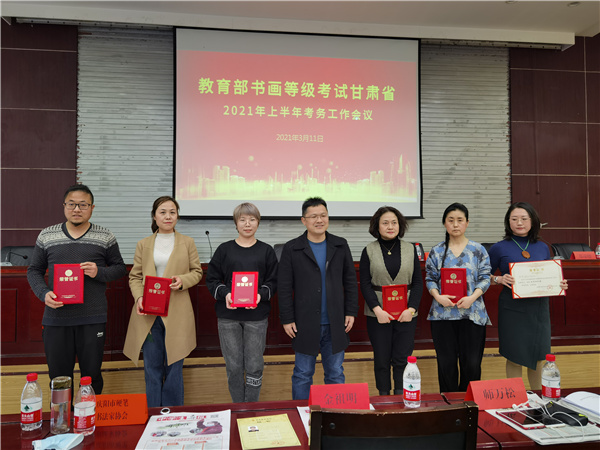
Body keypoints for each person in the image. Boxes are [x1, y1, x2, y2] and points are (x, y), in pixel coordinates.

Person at [27, 184, 127, 395]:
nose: (77, 209)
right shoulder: (47, 235)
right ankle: (62, 416)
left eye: (83, 205)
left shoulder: (105, 236)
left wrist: (98, 272)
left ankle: (89, 415)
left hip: (92, 317)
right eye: (71, 204)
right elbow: (34, 270)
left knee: (92, 376)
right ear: (64, 206)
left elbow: (119, 269)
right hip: (56, 318)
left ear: (92, 208)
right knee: (58, 377)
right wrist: (44, 293)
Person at [123, 196, 202, 407]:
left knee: (175, 364)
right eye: (163, 212)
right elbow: (135, 277)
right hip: (149, 311)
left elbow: (197, 272)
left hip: (177, 311)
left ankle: (173, 413)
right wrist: (139, 297)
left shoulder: (187, 242)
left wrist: (182, 280)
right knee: (152, 365)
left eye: (172, 212)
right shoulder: (144, 244)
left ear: (177, 216)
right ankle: (153, 412)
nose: (168, 216)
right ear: (154, 216)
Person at [278, 197, 359, 400]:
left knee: (335, 373)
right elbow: (284, 287)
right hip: (304, 322)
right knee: (303, 374)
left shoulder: (340, 245)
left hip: (335, 322)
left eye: (323, 215)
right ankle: (301, 413)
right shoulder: (292, 248)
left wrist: (351, 311)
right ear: (303, 220)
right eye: (313, 216)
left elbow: (350, 281)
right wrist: (287, 318)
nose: (319, 220)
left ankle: (335, 413)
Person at [488, 202, 568, 389]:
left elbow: (548, 274)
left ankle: (539, 399)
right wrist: (498, 279)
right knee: (514, 356)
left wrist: (559, 283)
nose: (519, 223)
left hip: (538, 309)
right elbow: (482, 276)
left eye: (524, 218)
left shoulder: (543, 247)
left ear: (533, 221)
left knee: (539, 356)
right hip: (512, 308)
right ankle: (515, 397)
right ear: (508, 222)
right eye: (514, 219)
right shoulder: (499, 248)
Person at [206, 202, 278, 403]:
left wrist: (259, 295)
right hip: (228, 317)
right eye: (243, 220)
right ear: (236, 223)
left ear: (258, 222)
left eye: (252, 219)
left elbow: (273, 281)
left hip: (257, 317)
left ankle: (251, 406)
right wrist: (226, 294)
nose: (247, 224)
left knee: (254, 365)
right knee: (234, 366)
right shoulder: (224, 249)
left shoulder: (266, 251)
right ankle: (239, 406)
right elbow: (212, 280)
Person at [425, 203, 492, 392]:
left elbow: (485, 277)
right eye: (451, 220)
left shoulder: (478, 250)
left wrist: (472, 297)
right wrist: (438, 296)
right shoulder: (437, 251)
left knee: (471, 363)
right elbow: (430, 278)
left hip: (472, 313)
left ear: (467, 223)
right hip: (442, 315)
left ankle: (469, 403)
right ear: (444, 223)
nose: (455, 224)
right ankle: (449, 403)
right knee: (446, 364)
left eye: (460, 220)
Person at [359, 206, 423, 396]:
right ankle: (384, 397)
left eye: (394, 222)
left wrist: (411, 309)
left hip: (406, 314)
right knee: (381, 359)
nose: (390, 226)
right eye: (385, 223)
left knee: (402, 358)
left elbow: (418, 283)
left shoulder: (410, 249)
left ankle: (401, 395)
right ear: (377, 226)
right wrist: (377, 309)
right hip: (378, 315)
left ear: (400, 225)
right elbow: (365, 284)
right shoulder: (368, 250)